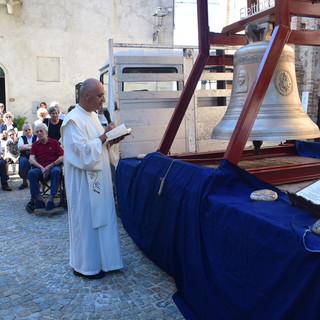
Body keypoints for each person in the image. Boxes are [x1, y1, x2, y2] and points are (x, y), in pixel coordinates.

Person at [61, 78, 125, 279]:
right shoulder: (73, 120)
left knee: (103, 217)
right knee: (87, 221)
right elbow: (80, 153)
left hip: (99, 180)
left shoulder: (93, 116)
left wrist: (112, 139)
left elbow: (98, 145)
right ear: (86, 95)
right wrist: (104, 138)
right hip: (83, 184)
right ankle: (86, 265)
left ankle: (106, 262)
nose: (103, 99)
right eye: (99, 95)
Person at [28, 123, 64, 211]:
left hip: (53, 166)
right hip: (41, 168)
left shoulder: (54, 142)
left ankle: (51, 198)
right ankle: (39, 199)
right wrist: (41, 168)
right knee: (31, 173)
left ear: (46, 132)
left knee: (55, 171)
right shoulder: (35, 144)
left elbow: (62, 157)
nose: (39, 133)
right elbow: (31, 159)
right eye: (37, 132)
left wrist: (50, 166)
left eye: (41, 131)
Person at [17, 124, 37, 190]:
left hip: (35, 155)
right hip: (24, 155)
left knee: (37, 160)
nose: (28, 131)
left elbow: (38, 146)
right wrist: (32, 146)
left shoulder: (36, 137)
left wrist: (26, 146)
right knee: (23, 161)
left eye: (29, 129)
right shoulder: (21, 138)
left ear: (32, 130)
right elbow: (20, 148)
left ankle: (35, 181)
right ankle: (24, 182)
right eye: (26, 130)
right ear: (23, 131)